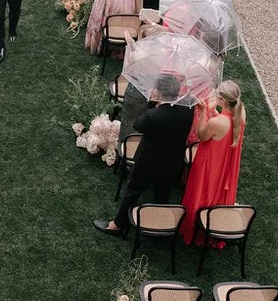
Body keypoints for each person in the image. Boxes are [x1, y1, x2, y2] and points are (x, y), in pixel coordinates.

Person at [94, 74, 194, 236]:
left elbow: (138, 124)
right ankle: (158, 225)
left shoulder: (153, 116)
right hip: (172, 161)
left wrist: (151, 104)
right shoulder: (189, 108)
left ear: (160, 93)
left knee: (133, 190)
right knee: (163, 192)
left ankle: (118, 225)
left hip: (149, 161)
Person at [180, 82, 246, 245]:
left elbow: (202, 135)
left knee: (201, 191)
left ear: (223, 100)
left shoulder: (217, 123)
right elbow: (223, 122)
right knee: (214, 192)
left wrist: (203, 111)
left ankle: (195, 228)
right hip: (223, 164)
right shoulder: (240, 117)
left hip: (209, 164)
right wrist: (212, 111)